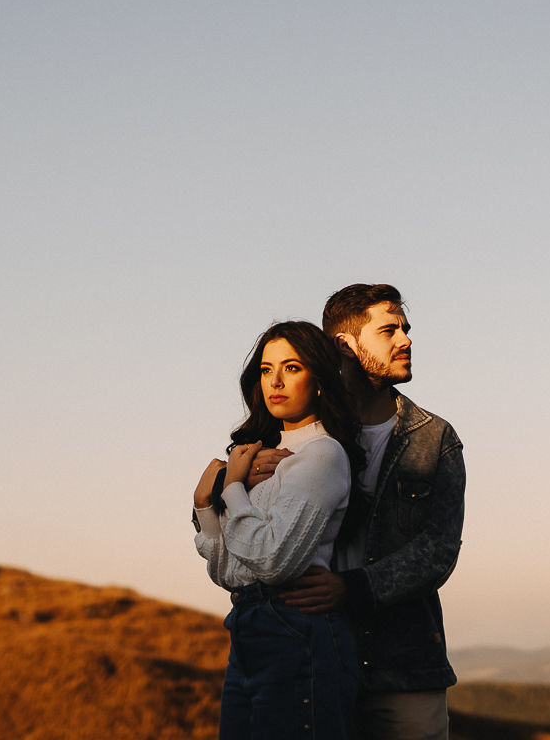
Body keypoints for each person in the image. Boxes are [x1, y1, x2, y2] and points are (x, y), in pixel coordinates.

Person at [253, 284, 465, 740]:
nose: (405, 340)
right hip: (314, 656)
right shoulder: (298, 431)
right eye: (389, 330)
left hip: (405, 668)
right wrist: (222, 485)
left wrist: (351, 588)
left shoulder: (435, 438)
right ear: (344, 345)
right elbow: (241, 527)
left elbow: (439, 550)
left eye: (405, 330)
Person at [192, 320, 364, 739]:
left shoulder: (322, 454)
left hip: (297, 631)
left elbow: (271, 562)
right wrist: (204, 501)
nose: (276, 381)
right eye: (267, 370)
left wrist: (230, 485)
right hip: (246, 628)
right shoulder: (256, 459)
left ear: (320, 380)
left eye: (291, 368)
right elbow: (227, 573)